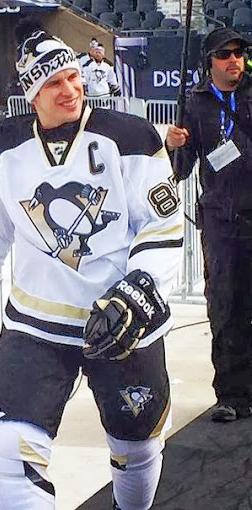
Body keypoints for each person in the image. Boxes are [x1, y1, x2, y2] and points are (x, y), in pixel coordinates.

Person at [0, 20, 183, 510]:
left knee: (136, 448)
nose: (69, 90)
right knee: (13, 451)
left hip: (120, 320)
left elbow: (161, 226)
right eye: (52, 83)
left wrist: (141, 290)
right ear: (31, 94)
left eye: (72, 77)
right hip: (37, 322)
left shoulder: (132, 136)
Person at [166, 27, 252, 423]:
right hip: (220, 224)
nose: (234, 60)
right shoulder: (195, 104)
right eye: (224, 54)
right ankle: (232, 395)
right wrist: (174, 147)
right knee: (225, 308)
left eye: (238, 52)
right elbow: (181, 170)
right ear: (209, 62)